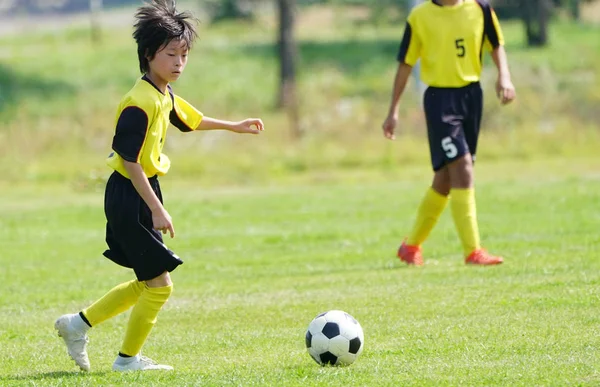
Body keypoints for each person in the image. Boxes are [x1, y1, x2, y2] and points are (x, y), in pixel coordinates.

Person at [55, 0, 264, 372]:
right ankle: (126, 360)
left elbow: (190, 119)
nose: (179, 63)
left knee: (150, 282)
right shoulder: (139, 101)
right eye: (171, 54)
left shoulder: (161, 94)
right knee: (161, 285)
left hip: (139, 192)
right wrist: (155, 207)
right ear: (149, 54)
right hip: (129, 194)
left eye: (184, 55)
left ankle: (77, 325)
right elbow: (131, 161)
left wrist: (234, 126)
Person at [382, 0, 515, 266]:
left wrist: (505, 76)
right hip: (440, 102)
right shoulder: (419, 17)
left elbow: (496, 43)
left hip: (472, 97)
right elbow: (405, 63)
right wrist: (393, 110)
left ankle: (410, 247)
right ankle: (473, 251)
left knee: (445, 178)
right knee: (463, 167)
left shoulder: (481, 9)